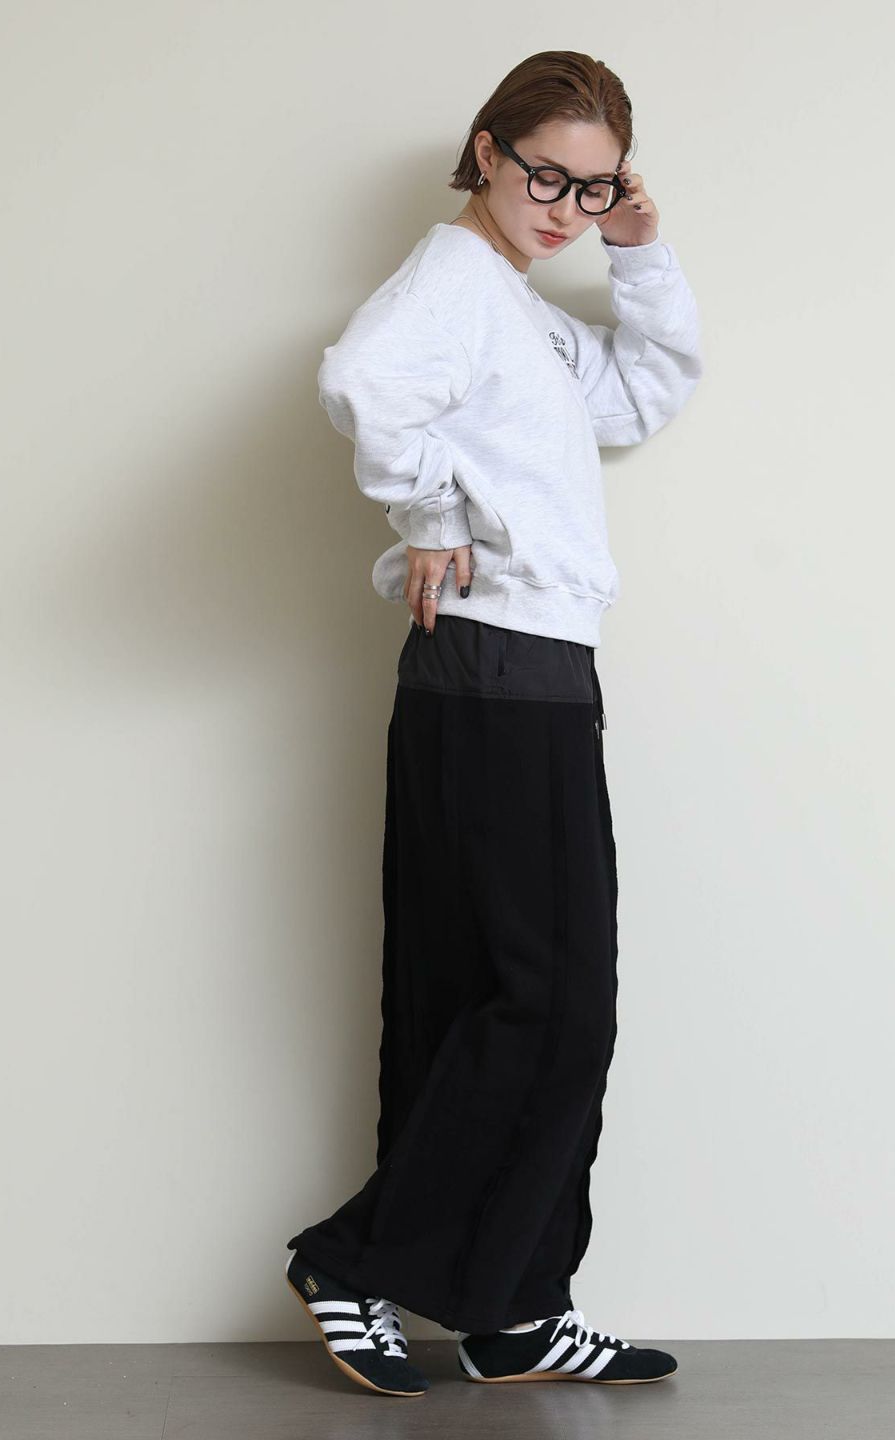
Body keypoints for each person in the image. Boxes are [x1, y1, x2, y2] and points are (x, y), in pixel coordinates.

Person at [285, 49, 703, 1397]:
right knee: (553, 1004)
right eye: (548, 177)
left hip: (518, 669)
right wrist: (431, 516)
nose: (567, 207)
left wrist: (640, 254)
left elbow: (642, 396)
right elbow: (363, 379)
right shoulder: (456, 280)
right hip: (497, 666)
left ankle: (515, 1309)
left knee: (474, 996)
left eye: (596, 187)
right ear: (486, 149)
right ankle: (351, 1261)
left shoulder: (518, 309)